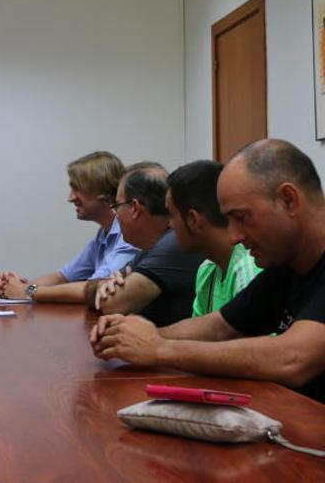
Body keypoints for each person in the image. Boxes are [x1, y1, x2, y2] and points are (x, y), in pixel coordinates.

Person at [90, 139, 325, 403]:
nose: (234, 236)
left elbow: (293, 359)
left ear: (288, 200)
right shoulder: (287, 264)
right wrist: (130, 335)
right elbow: (221, 326)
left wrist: (160, 348)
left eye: (242, 217)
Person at [0, 151, 139, 303]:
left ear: (99, 189)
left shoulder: (130, 235)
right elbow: (63, 277)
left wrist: (28, 291)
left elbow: (94, 287)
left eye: (76, 188)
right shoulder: (104, 233)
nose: (70, 198)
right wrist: (15, 286)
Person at [86, 162, 203, 326]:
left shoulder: (173, 244)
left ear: (134, 207)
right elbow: (91, 285)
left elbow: (111, 303)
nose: (116, 216)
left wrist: (34, 291)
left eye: (117, 206)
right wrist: (102, 284)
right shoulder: (151, 246)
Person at [165, 160, 261, 316]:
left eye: (172, 215)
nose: (170, 224)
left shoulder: (248, 271)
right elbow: (198, 335)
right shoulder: (207, 270)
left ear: (193, 219)